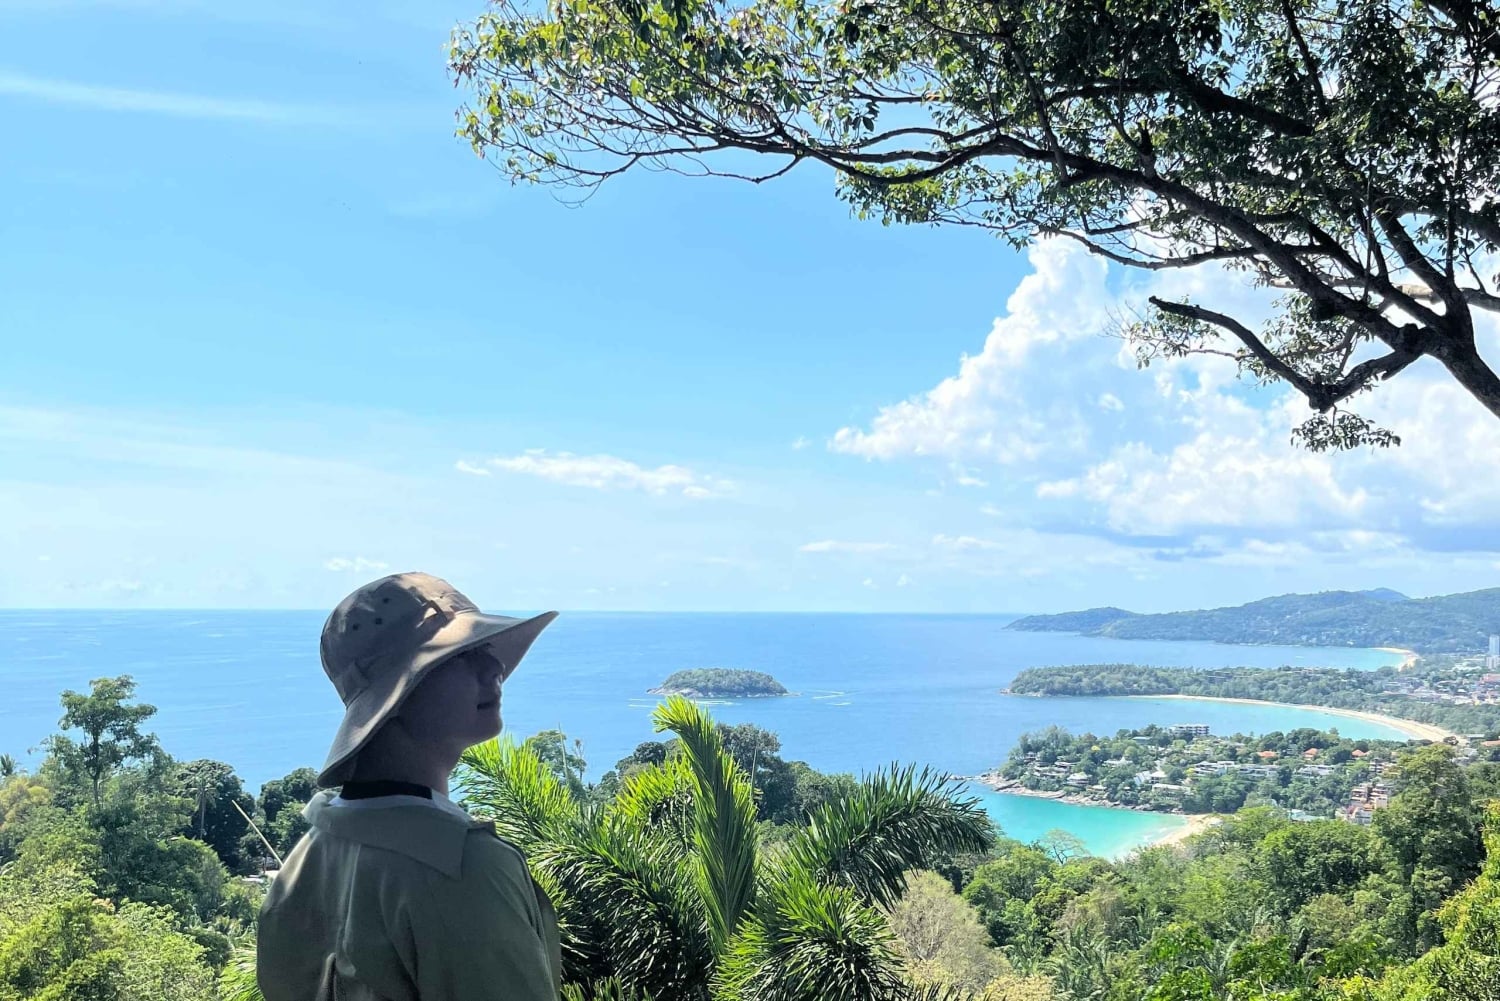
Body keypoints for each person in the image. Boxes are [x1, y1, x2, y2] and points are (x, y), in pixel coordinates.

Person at [257, 572, 563, 1001]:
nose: (494, 666)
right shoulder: (460, 866)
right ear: (396, 696)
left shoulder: (313, 851)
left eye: (484, 649)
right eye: (460, 656)